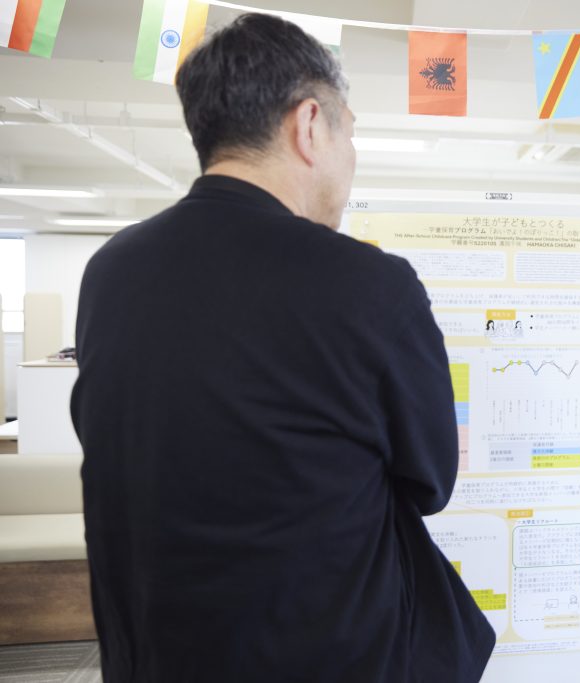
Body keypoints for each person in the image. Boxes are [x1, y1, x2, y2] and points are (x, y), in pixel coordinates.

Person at [70, 14, 494, 683]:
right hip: (325, 653)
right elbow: (431, 481)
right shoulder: (370, 285)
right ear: (309, 124)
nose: (351, 155)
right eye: (350, 131)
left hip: (154, 652)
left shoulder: (110, 272)